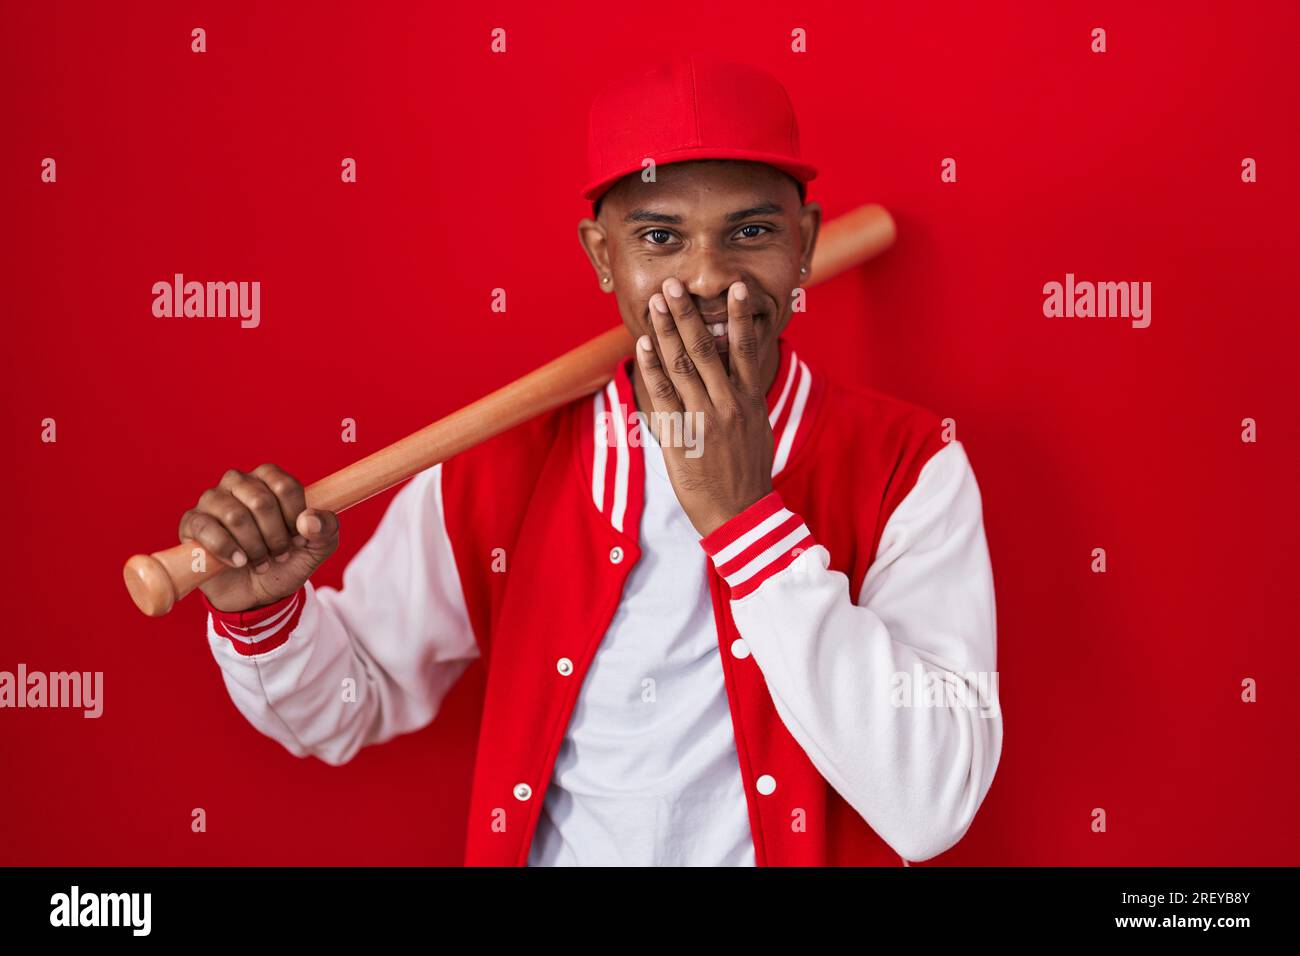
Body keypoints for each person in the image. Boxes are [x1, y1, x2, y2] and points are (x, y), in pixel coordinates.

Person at [182, 54, 1002, 867]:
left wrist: (746, 521)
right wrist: (266, 615)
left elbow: (931, 804)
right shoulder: (499, 461)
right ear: (602, 256)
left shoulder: (912, 466)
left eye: (751, 232)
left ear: (806, 246)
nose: (709, 277)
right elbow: (346, 704)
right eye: (660, 237)